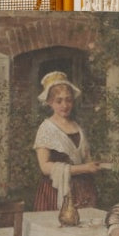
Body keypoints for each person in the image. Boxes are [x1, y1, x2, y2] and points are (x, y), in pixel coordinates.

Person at [33, 70, 108, 211]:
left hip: (84, 189)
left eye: (68, 100)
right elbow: (44, 167)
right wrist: (84, 168)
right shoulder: (46, 128)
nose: (65, 105)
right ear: (49, 102)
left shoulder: (77, 127)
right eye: (59, 101)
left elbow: (86, 158)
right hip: (55, 190)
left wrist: (95, 165)